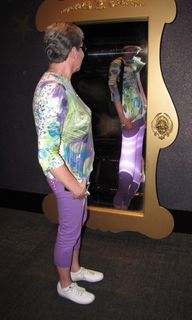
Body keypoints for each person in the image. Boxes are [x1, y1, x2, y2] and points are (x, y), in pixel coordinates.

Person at [32, 22, 103, 305]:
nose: (84, 54)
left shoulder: (62, 83)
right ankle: (65, 283)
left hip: (77, 174)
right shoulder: (52, 90)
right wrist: (73, 186)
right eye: (82, 48)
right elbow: (47, 154)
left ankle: (75, 269)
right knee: (69, 230)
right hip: (67, 177)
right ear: (73, 51)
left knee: (79, 221)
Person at [108, 45, 147, 210]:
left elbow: (139, 84)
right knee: (127, 159)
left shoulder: (134, 63)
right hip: (129, 117)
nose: (133, 50)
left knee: (137, 158)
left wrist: (146, 103)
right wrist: (123, 118)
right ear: (123, 48)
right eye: (130, 48)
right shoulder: (117, 63)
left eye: (135, 48)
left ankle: (128, 199)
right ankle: (120, 201)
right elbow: (113, 88)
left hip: (141, 116)